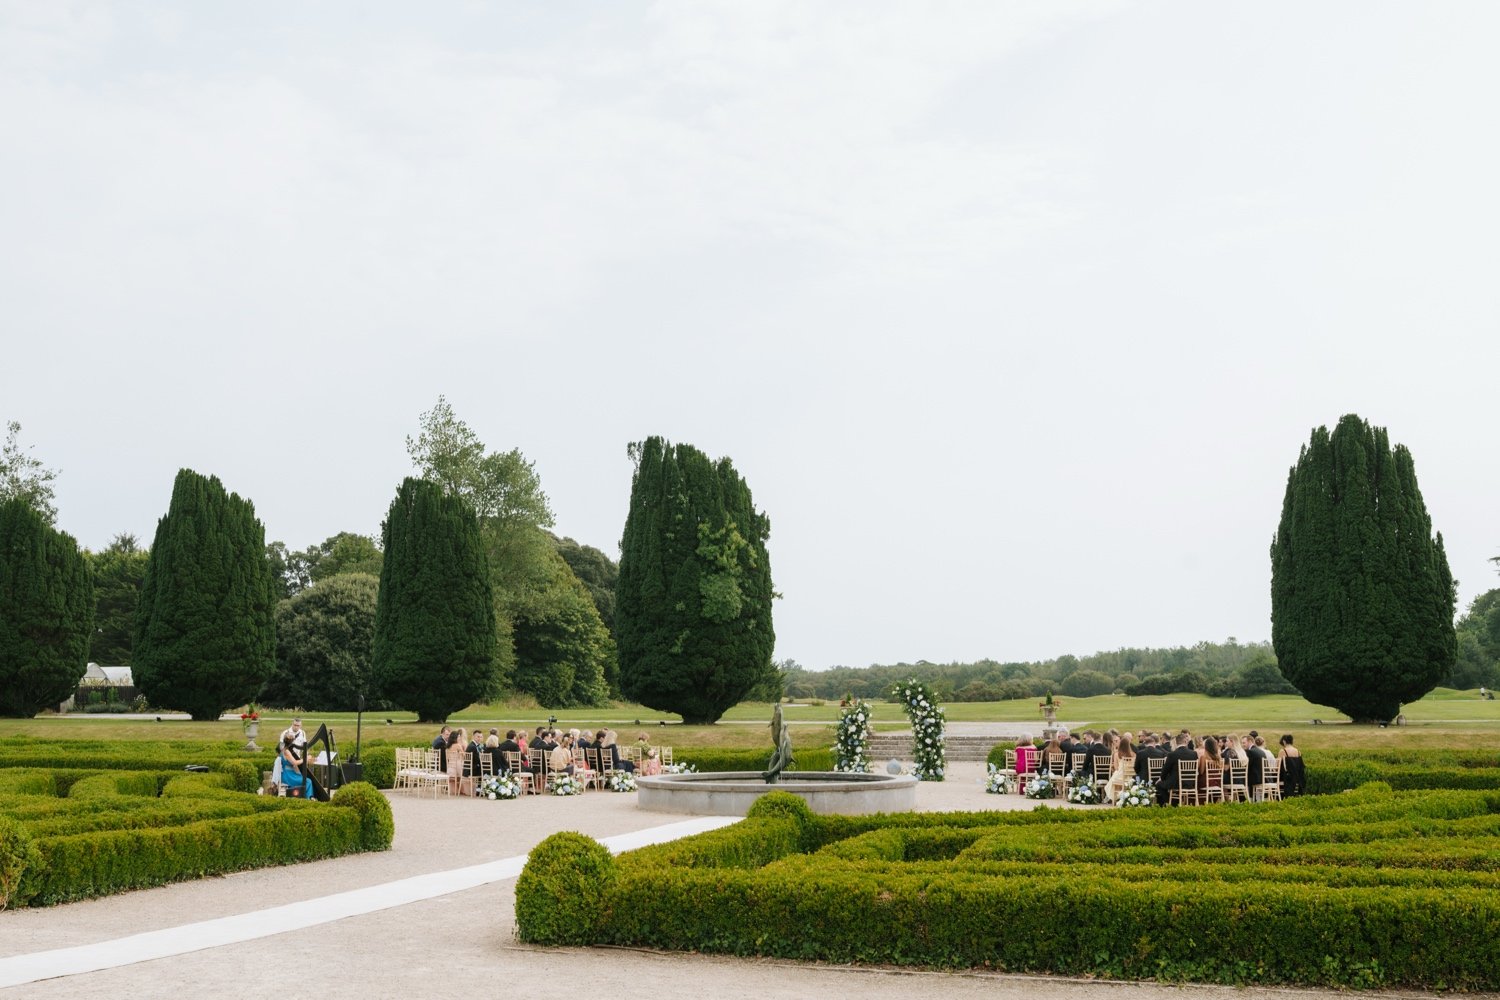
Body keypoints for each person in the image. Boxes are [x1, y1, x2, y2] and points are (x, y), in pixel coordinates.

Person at [1156, 733, 1197, 805]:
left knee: (1159, 785)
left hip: (1176, 783)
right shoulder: (1194, 754)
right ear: (1185, 741)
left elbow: (1165, 770)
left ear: (1176, 742)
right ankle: (1177, 802)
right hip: (1191, 783)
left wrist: (1161, 779)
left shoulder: (1172, 754)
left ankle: (1172, 803)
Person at [275, 735, 316, 799]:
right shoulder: (286, 751)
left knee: (305, 779)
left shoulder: (284, 750)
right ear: (291, 742)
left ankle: (305, 797)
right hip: (288, 776)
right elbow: (295, 762)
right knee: (308, 781)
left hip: (289, 774)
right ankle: (308, 798)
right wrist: (306, 758)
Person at [1105, 734, 1135, 804]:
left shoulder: (1117, 754)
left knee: (1114, 776)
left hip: (1120, 777)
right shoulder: (1133, 754)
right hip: (1130, 777)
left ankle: (1115, 798)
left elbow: (1116, 768)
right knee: (1115, 775)